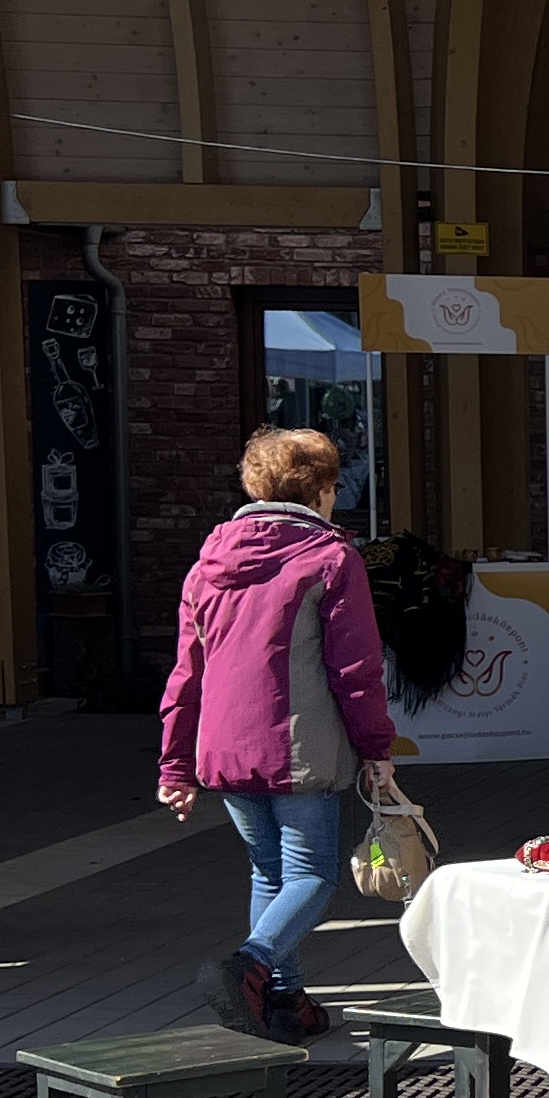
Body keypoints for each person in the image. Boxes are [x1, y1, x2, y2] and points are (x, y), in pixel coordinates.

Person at [155, 426, 404, 1043]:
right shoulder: (331, 559)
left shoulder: (208, 564)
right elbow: (355, 669)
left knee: (269, 875)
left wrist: (175, 766)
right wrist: (376, 748)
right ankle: (250, 966)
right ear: (321, 490)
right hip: (298, 748)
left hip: (222, 748)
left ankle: (284, 1003)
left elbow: (187, 672)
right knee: (312, 877)